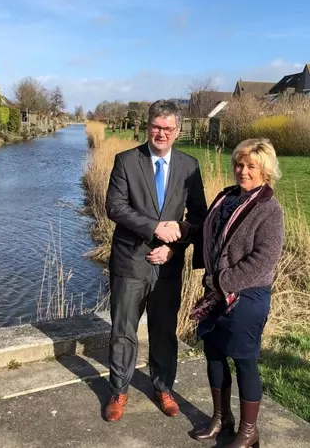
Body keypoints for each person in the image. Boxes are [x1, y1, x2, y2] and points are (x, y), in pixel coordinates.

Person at [103, 99, 207, 422]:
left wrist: (173, 248)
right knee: (123, 330)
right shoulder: (126, 161)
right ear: (147, 127)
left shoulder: (189, 167)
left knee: (164, 331)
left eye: (168, 128)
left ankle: (163, 388)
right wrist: (154, 227)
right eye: (155, 127)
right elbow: (114, 207)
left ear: (177, 131)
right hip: (130, 262)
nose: (161, 133)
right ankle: (118, 390)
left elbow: (200, 216)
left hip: (168, 266)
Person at [189, 138, 284, 448]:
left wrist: (224, 280)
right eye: (239, 165)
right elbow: (209, 231)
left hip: (248, 295)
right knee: (214, 354)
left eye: (251, 166)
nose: (242, 171)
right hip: (217, 292)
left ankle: (248, 431)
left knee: (244, 360)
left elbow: (264, 258)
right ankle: (220, 418)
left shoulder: (269, 208)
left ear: (265, 171)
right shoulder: (226, 197)